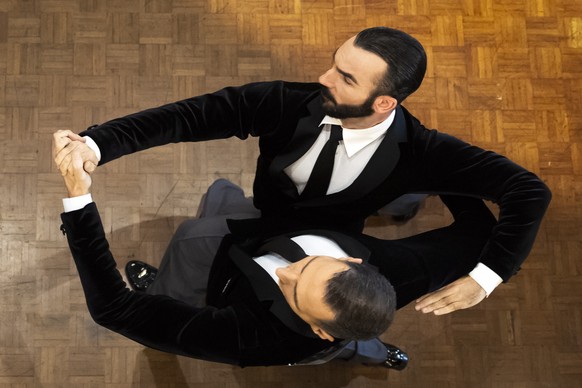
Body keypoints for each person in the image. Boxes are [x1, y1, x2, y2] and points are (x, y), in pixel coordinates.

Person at [53, 26, 552, 316]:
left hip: (331, 240)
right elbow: (189, 116)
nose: (323, 79)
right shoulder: (288, 102)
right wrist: (98, 143)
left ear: (384, 102)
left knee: (206, 246)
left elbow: (527, 191)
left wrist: (486, 278)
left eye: (345, 77)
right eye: (334, 64)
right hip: (273, 210)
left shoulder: (424, 150)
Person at [55, 134, 504, 368]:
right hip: (261, 228)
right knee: (216, 208)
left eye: (293, 293)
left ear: (319, 328)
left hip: (230, 290)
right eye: (305, 268)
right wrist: (486, 278)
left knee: (338, 350)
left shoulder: (252, 338)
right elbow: (478, 230)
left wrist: (78, 197)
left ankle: (362, 351)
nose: (283, 275)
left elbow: (115, 310)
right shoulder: (408, 270)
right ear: (353, 261)